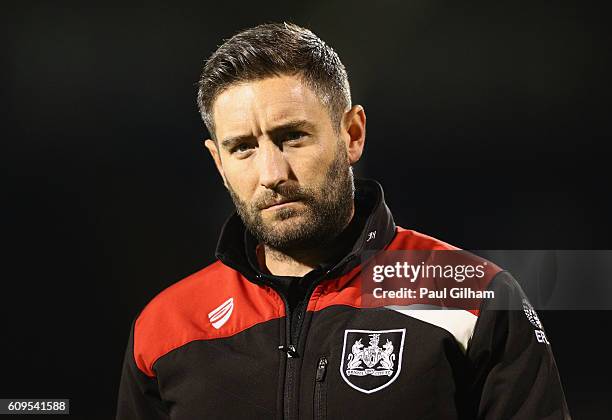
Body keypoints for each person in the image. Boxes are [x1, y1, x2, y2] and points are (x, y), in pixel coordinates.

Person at [116, 22, 570, 419]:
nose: (272, 175)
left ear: (352, 135)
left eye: (292, 137)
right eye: (243, 148)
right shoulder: (165, 328)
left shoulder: (472, 296)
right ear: (218, 162)